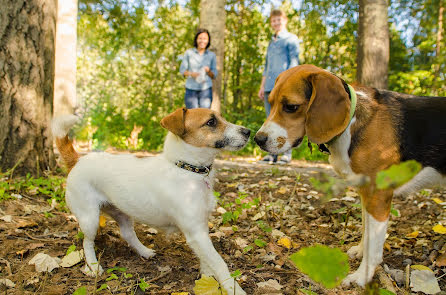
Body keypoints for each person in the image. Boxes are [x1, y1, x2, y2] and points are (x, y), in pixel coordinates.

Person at [258, 9, 300, 164]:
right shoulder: (271, 42)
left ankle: (286, 154)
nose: (276, 23)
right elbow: (266, 66)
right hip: (269, 87)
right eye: (273, 20)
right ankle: (271, 154)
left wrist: (291, 85)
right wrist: (262, 86)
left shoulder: (291, 39)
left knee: (284, 121)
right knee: (270, 121)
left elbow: (294, 63)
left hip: (283, 87)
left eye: (279, 20)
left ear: (285, 20)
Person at [179, 28, 218, 109]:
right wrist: (191, 74)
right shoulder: (189, 53)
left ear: (208, 41)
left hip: (206, 90)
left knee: (205, 116)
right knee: (192, 116)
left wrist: (208, 71)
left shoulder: (212, 55)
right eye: (200, 38)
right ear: (196, 39)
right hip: (191, 89)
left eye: (205, 39)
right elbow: (182, 70)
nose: (202, 41)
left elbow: (214, 75)